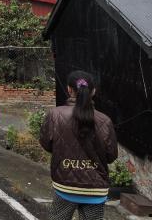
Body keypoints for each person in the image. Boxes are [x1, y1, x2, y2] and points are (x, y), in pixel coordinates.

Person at [40, 71, 117, 220]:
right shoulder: (105, 120)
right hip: (96, 189)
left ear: (69, 89)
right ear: (93, 91)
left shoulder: (55, 115)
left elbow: (46, 144)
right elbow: (111, 156)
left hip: (65, 185)